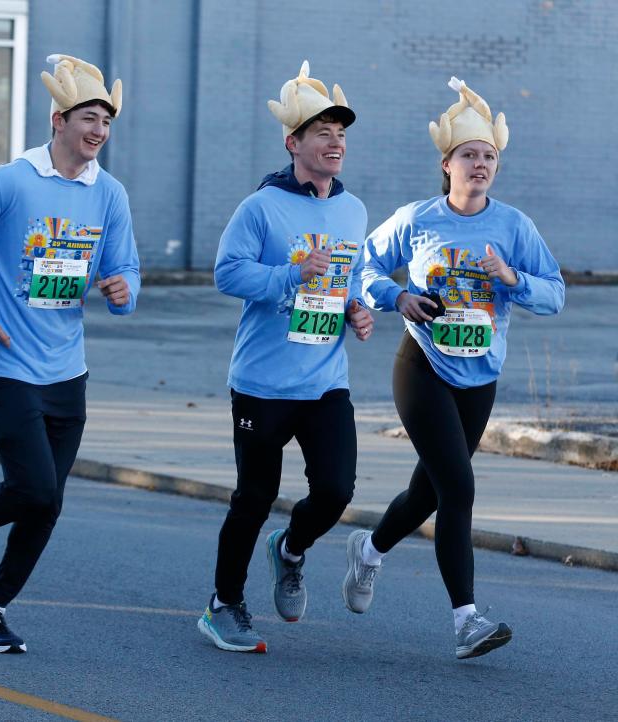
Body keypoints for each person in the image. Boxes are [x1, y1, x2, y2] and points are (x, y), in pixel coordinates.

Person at [344, 77, 565, 659]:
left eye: (489, 156)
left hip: (480, 377)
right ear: (447, 164)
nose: (480, 164)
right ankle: (467, 619)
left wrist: (512, 279)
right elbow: (362, 268)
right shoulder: (416, 218)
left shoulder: (515, 227)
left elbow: (556, 294)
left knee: (429, 491)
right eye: (469, 155)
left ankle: (368, 550)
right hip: (422, 365)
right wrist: (397, 299)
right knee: (459, 487)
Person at [0, 54, 140, 654]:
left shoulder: (109, 194)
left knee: (48, 503)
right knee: (34, 487)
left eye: (107, 122)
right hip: (6, 365)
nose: (98, 131)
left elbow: (124, 267)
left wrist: (123, 291)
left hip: (68, 370)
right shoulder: (9, 181)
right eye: (89, 118)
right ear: (58, 119)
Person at [198, 61, 374, 654]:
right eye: (322, 132)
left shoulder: (353, 211)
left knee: (337, 489)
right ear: (293, 142)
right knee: (253, 496)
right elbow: (227, 274)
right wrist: (290, 274)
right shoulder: (262, 207)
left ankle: (291, 548)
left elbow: (348, 280)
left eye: (341, 133)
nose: (335, 143)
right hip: (263, 382)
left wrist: (356, 309)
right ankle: (223, 604)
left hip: (325, 379)